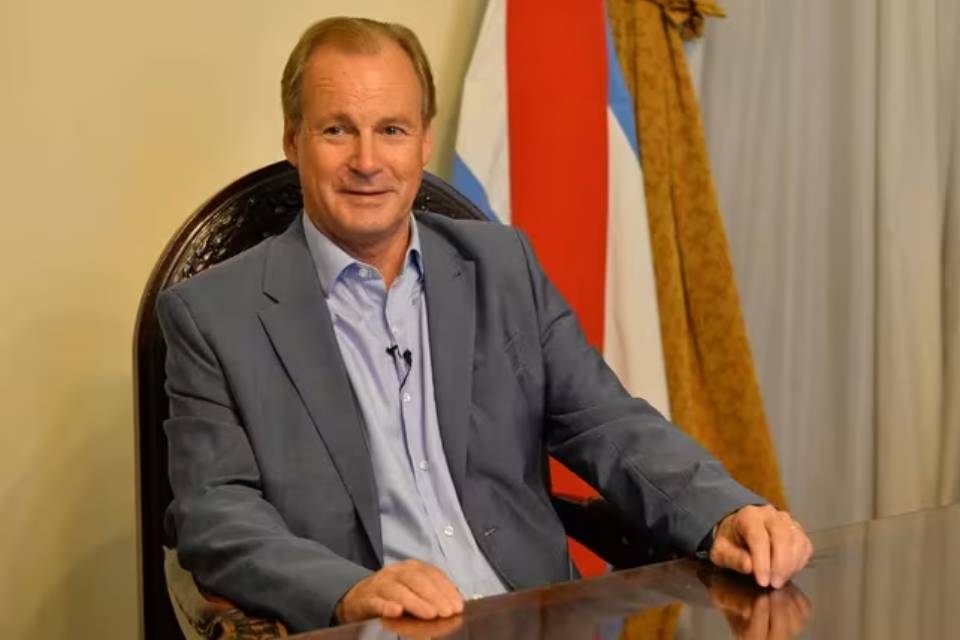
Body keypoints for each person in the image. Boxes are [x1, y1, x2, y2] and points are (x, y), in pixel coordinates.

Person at [157, 16, 812, 633]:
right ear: (292, 140)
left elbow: (608, 423)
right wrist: (347, 591)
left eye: (392, 129)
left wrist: (724, 512)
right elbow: (218, 517)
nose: (367, 160)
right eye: (337, 130)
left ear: (424, 141)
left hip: (535, 619)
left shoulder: (502, 267)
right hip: (370, 628)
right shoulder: (213, 315)